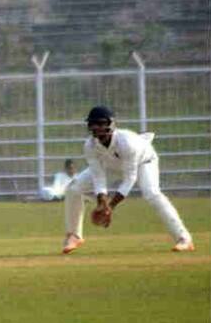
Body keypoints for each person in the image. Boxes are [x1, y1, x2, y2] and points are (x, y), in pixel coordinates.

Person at [62, 106, 194, 254]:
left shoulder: (128, 142)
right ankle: (74, 235)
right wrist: (102, 203)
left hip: (143, 162)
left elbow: (130, 178)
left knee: (152, 194)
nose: (97, 128)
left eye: (100, 124)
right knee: (73, 189)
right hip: (110, 164)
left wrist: (110, 207)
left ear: (111, 124)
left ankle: (184, 238)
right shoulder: (90, 145)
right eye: (93, 124)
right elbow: (98, 176)